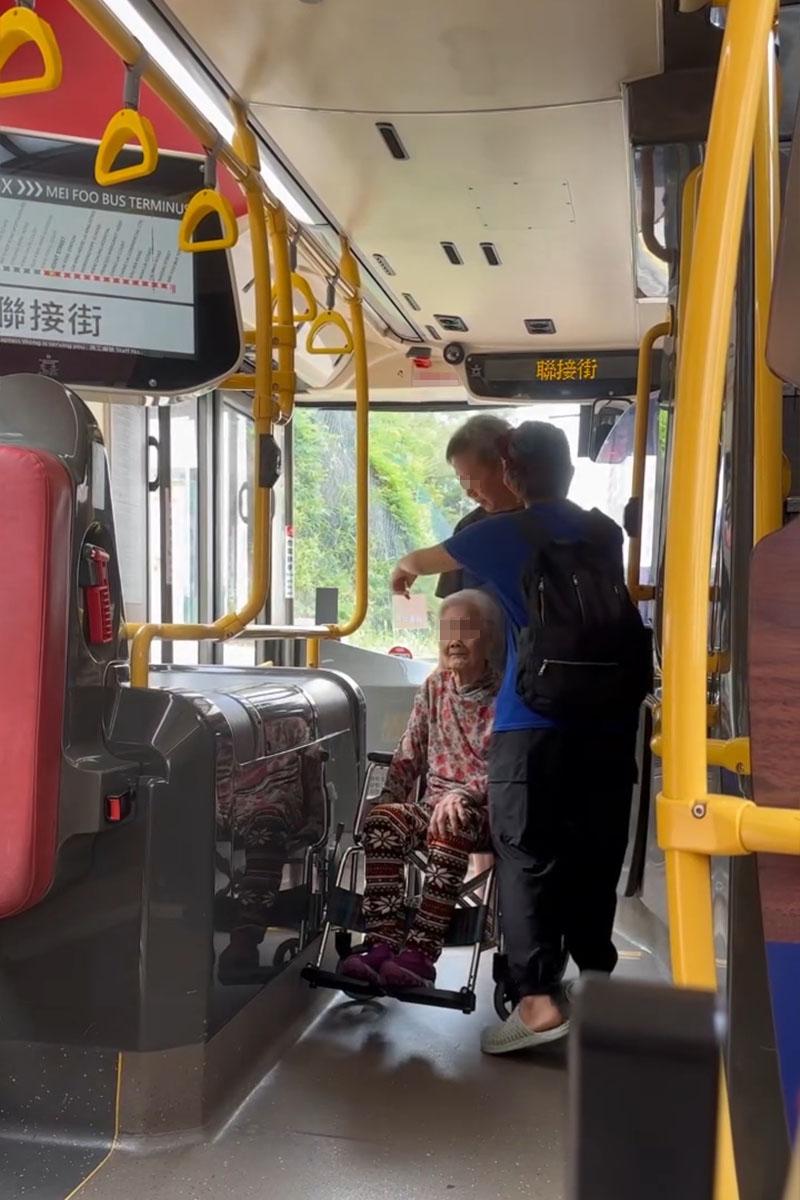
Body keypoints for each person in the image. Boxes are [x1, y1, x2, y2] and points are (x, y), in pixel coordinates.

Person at [390, 422, 639, 1053]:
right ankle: (597, 983)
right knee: (593, 852)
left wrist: (403, 573)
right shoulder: (603, 531)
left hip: (532, 723)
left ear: (509, 473)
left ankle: (535, 1005)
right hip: (610, 724)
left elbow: (420, 562)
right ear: (569, 472)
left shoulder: (496, 535)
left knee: (526, 856)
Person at [340, 590, 501, 990]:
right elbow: (409, 753)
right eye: (448, 631)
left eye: (467, 630)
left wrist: (463, 794)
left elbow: (508, 767)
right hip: (432, 806)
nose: (455, 640)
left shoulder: (506, 696)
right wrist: (384, 800)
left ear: (489, 638)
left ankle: (420, 955)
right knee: (384, 822)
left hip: (481, 811)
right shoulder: (434, 686)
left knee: (451, 822)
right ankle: (381, 943)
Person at [436, 414, 521, 599]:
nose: (468, 492)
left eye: (471, 480)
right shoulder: (467, 528)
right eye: (462, 481)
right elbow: (452, 605)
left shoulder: (544, 520)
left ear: (504, 467)